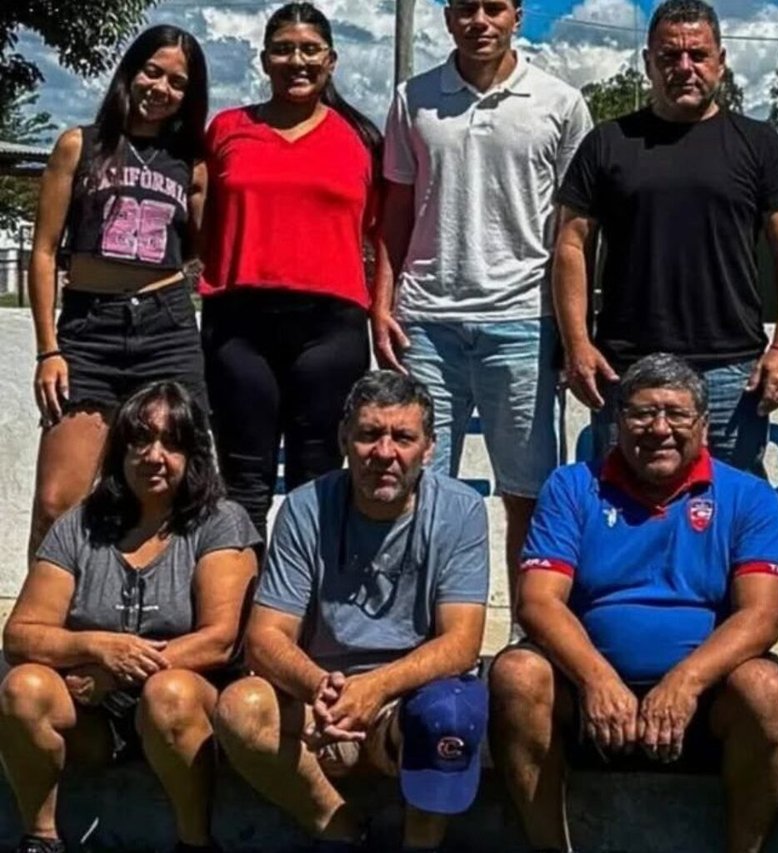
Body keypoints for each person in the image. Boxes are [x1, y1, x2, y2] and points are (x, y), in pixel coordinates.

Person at [491, 353, 778, 853]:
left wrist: (685, 683)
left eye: (676, 414)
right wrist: (597, 680)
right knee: (516, 674)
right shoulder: (571, 487)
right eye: (642, 413)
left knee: (766, 688)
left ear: (704, 426)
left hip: (706, 696)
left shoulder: (750, 497)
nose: (659, 429)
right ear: (617, 421)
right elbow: (538, 602)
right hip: (586, 691)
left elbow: (761, 617)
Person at [212, 372, 490, 853]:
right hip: (321, 697)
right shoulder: (305, 508)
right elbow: (266, 636)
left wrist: (376, 688)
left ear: (429, 448)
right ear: (344, 439)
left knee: (449, 713)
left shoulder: (460, 510)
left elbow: (462, 643)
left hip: (407, 700)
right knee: (240, 707)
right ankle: (337, 828)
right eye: (369, 434)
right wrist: (322, 688)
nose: (384, 453)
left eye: (403, 437)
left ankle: (420, 846)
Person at [379, 0, 592, 605]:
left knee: (528, 495)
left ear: (517, 16)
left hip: (524, 321)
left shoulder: (560, 102)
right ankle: (424, 631)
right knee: (419, 491)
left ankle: (530, 632)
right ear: (448, 18)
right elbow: (395, 211)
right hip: (425, 323)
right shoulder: (412, 99)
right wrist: (382, 301)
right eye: (466, 8)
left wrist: (575, 331)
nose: (480, 21)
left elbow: (576, 231)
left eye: (494, 7)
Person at [0, 382, 258, 853]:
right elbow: (20, 635)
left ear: (193, 454)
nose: (153, 456)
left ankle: (194, 842)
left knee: (168, 693)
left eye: (171, 443)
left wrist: (116, 673)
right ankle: (41, 837)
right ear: (120, 450)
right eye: (140, 440)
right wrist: (97, 647)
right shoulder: (80, 524)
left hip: (188, 710)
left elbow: (220, 640)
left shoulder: (221, 521)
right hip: (94, 713)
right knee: (23, 687)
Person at [554, 0, 778, 476]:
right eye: (670, 56)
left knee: (730, 506)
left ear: (721, 61)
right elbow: (571, 245)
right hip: (626, 368)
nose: (685, 67)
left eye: (698, 55)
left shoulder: (759, 144)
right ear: (648, 62)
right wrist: (578, 344)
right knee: (620, 506)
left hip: (732, 371)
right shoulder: (608, 142)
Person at [198, 2, 387, 540]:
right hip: (238, 326)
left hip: (331, 328)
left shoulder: (362, 140)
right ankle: (240, 589)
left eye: (309, 50)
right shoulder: (227, 129)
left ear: (331, 60)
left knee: (318, 480)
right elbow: (199, 220)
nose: (296, 61)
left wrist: (382, 311)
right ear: (263, 59)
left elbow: (382, 238)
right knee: (243, 484)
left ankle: (306, 593)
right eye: (282, 50)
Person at [25, 25, 210, 558]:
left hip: (166, 327)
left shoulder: (192, 164)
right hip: (90, 330)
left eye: (178, 81)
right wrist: (48, 350)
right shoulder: (79, 145)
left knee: (171, 491)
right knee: (58, 501)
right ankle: (44, 610)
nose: (161, 88)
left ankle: (149, 599)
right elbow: (44, 251)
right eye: (153, 71)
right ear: (131, 71)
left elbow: (201, 247)